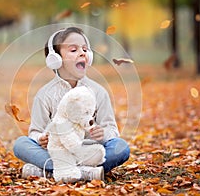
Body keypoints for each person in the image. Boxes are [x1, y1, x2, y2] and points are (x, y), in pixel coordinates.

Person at [13, 26, 130, 181]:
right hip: (57, 152)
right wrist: (41, 138)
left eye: (85, 49)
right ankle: (84, 172)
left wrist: (102, 135)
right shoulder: (44, 95)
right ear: (55, 59)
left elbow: (112, 131)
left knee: (121, 148)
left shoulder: (98, 92)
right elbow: (34, 132)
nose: (82, 53)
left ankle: (50, 170)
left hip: (89, 152)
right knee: (20, 144)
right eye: (73, 50)